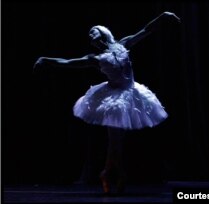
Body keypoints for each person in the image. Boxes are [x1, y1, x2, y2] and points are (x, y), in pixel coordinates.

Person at [34, 11, 180, 194]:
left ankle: (107, 173)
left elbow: (146, 30)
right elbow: (69, 62)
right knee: (115, 140)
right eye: (89, 34)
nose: (90, 35)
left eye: (93, 31)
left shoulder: (123, 44)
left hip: (131, 94)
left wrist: (163, 16)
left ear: (103, 33)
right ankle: (118, 175)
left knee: (116, 141)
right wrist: (46, 60)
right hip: (113, 100)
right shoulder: (95, 59)